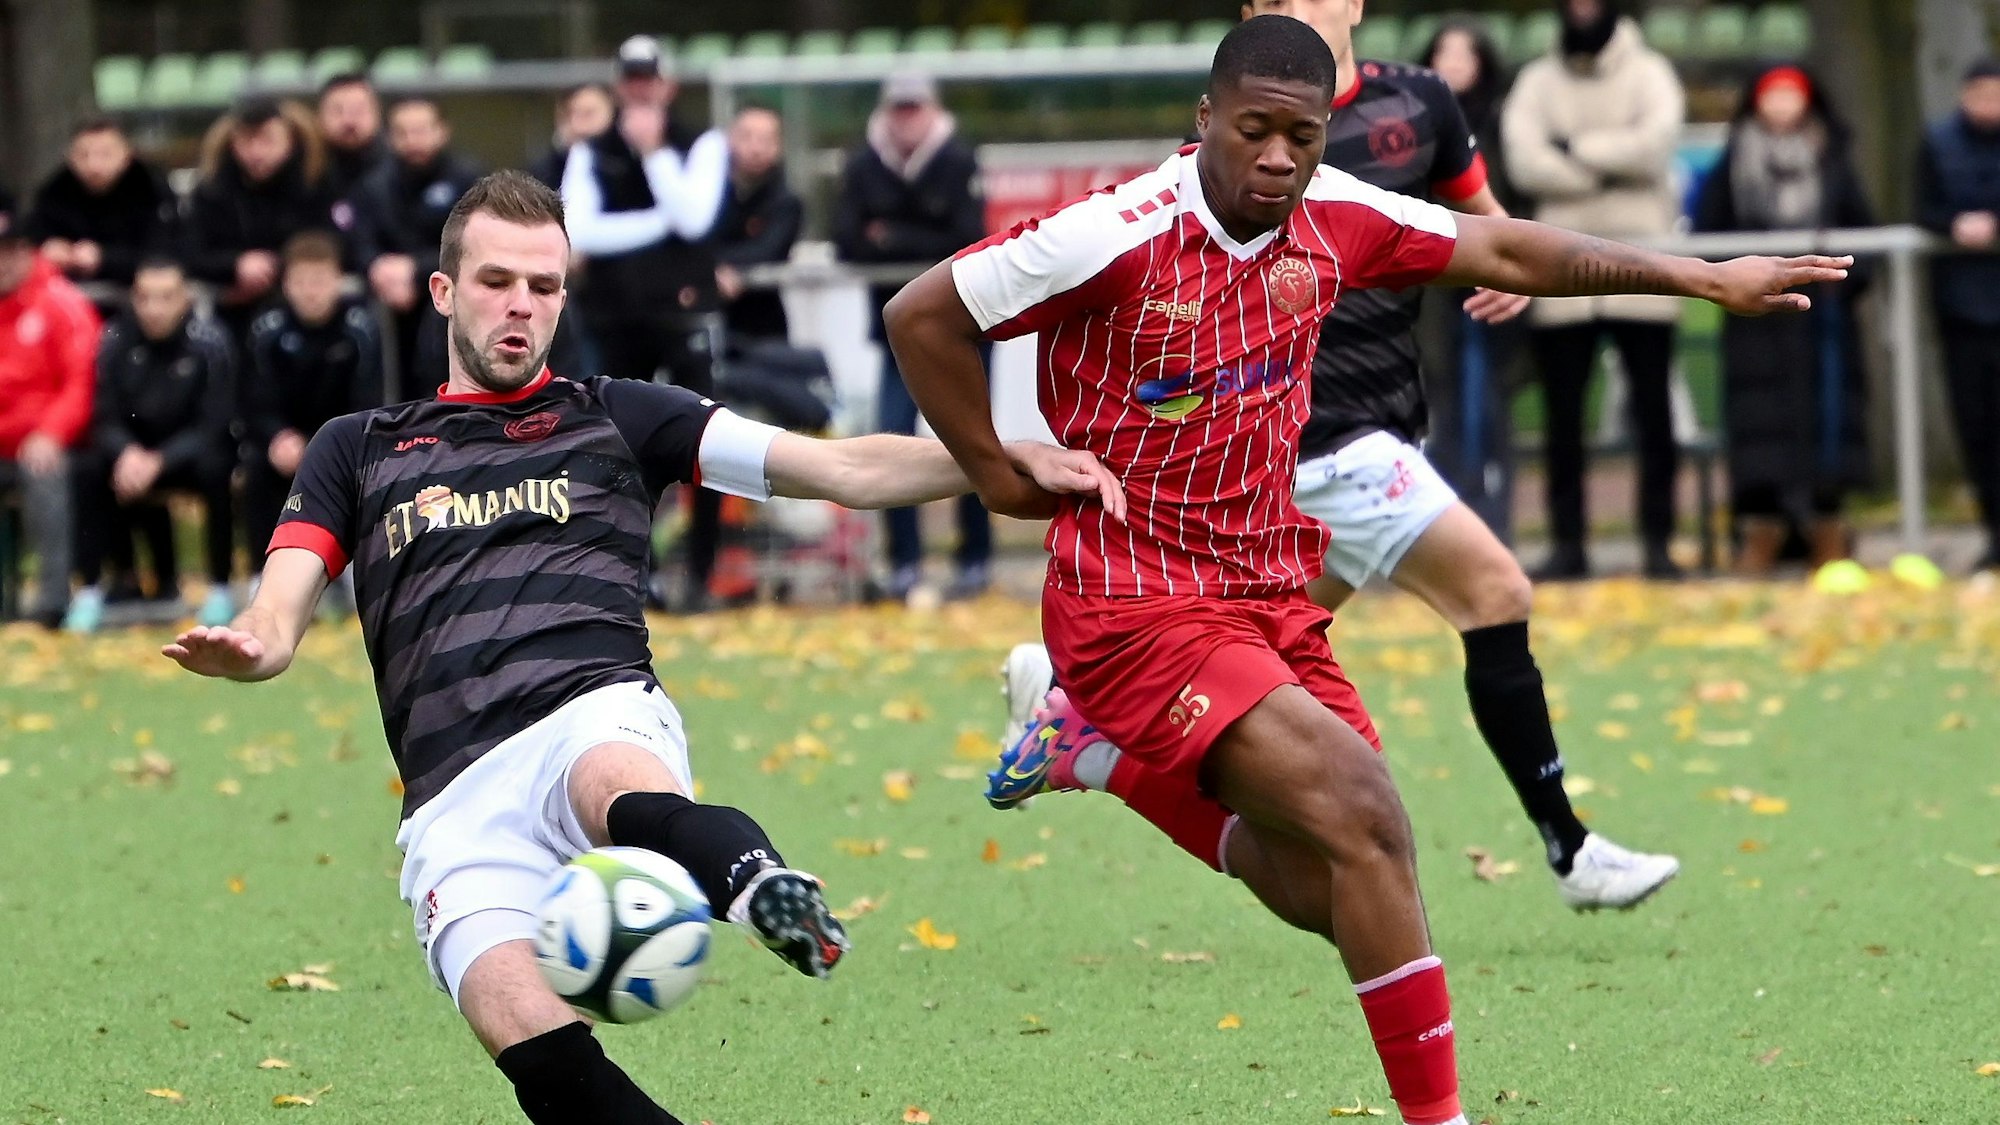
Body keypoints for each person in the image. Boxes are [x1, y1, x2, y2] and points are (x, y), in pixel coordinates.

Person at [886, 17, 1845, 1125]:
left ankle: (1100, 759)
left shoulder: (1338, 214)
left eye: (1300, 135)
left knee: (1339, 883)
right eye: (1252, 131)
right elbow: (921, 316)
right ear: (1204, 120)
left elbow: (1505, 251)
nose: (1278, 158)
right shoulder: (1109, 235)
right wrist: (997, 472)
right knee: (1367, 814)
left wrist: (1697, 276)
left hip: (1263, 594)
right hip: (1131, 597)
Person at [158, 170, 1118, 1125]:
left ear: (564, 295)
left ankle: (763, 889)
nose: (520, 306)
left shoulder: (620, 413)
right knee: (512, 1015)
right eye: (497, 282)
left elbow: (840, 465)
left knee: (605, 780)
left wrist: (999, 458)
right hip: (451, 796)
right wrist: (252, 646)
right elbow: (279, 611)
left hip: (589, 705)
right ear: (445, 292)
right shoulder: (358, 447)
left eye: (543, 286)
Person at [993, 0, 1677, 910]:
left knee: (1241, 659)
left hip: (1379, 425)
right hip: (1315, 438)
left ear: (1355, 3)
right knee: (1495, 591)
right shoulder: (1245, 119)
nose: (1278, 152)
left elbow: (1489, 225)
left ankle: (1085, 723)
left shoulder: (1420, 103)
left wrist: (1508, 274)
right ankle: (1570, 847)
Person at [1502, 0, 1687, 580]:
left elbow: (1656, 144)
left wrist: (1572, 151)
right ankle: (1568, 544)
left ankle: (1659, 541)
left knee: (1655, 412)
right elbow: (1523, 161)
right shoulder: (1535, 81)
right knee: (1562, 419)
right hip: (1562, 271)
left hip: (1642, 267)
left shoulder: (1651, 72)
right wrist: (1614, 161)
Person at [560, 34, 730, 611]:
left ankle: (702, 575)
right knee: (613, 448)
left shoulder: (700, 142)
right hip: (615, 318)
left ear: (668, 84)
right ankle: (628, 578)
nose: (640, 89)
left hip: (683, 314)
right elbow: (580, 231)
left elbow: (697, 217)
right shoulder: (590, 149)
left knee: (705, 441)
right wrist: (661, 219)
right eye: (631, 79)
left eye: (649, 78)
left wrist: (656, 156)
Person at [1695, 65, 1875, 574]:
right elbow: (1710, 233)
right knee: (1760, 428)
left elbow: (1863, 233)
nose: (1779, 106)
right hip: (1755, 319)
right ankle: (1762, 532)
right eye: (1770, 96)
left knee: (1828, 423)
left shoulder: (1834, 158)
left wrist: (1836, 280)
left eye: (1789, 96)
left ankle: (1827, 531)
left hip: (1823, 319)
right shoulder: (1732, 162)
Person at [834, 72, 991, 601]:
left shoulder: (956, 159)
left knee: (974, 441)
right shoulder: (864, 164)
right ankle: (903, 561)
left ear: (931, 109)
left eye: (915, 108)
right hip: (896, 337)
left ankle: (975, 557)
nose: (906, 119)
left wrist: (894, 237)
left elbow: (969, 235)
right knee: (893, 438)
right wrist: (922, 239)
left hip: (964, 328)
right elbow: (849, 241)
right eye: (898, 109)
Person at [67, 259, 237, 632]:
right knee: (89, 467)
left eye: (165, 298)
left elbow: (214, 422)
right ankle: (90, 589)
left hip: (186, 454)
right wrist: (128, 452)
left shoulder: (210, 342)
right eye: (145, 298)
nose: (154, 308)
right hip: (133, 453)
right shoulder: (113, 340)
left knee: (217, 466)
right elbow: (104, 415)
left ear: (184, 299)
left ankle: (220, 587)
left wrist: (160, 460)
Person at [1418, 19, 1524, 535]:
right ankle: (1444, 532)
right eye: (1444, 52)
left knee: (1488, 410)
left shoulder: (1505, 124)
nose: (1454, 63)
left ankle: (1491, 526)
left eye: (1465, 53)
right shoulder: (1410, 128)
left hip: (1491, 286)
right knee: (1440, 414)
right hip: (1432, 290)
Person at [241, 231, 385, 564]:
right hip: (283, 444)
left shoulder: (361, 329)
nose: (311, 292)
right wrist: (277, 437)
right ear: (286, 284)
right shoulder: (266, 330)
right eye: (301, 282)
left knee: (368, 468)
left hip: (342, 442)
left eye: (319, 281)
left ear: (338, 281)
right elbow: (255, 401)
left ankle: (355, 571)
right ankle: (260, 573)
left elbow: (368, 403)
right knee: (254, 468)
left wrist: (322, 446)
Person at [0, 189, 99, 628]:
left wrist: (51, 433)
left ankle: (51, 600)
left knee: (43, 470)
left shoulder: (62, 303)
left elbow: (82, 380)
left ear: (26, 252)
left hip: (46, 442)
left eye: (8, 252)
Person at [1917, 57, 2000, 572]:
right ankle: (1994, 532)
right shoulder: (1937, 143)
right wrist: (1953, 225)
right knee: (1979, 430)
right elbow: (1921, 208)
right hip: (1964, 311)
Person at [353, 97, 483, 397]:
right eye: (403, 132)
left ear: (442, 131)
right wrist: (379, 270)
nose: (413, 141)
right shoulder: (374, 186)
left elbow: (475, 245)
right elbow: (360, 244)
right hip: (390, 307)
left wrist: (414, 270)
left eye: (421, 130)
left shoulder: (468, 179)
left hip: (451, 304)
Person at [184, 97, 337, 344]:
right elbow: (191, 252)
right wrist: (235, 265)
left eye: (267, 140)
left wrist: (276, 268)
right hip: (233, 318)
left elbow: (332, 244)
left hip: (307, 317)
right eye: (247, 141)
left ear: (290, 140)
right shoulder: (213, 190)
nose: (256, 152)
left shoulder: (316, 183)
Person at [24, 118, 181, 317]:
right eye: (83, 155)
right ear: (70, 157)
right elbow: (29, 243)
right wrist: (47, 253)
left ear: (126, 154)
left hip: (141, 309)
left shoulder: (152, 191)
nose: (94, 165)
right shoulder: (53, 194)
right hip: (67, 310)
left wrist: (105, 258)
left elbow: (167, 252)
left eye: (105, 154)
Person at [715, 105, 803, 344]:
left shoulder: (787, 201)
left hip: (764, 325)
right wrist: (712, 268)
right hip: (709, 318)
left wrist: (728, 267)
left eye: (766, 139)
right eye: (747, 137)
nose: (756, 148)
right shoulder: (707, 195)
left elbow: (770, 248)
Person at [318, 73, 389, 245]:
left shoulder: (400, 173)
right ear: (319, 116)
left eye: (358, 111)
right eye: (337, 111)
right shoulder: (307, 174)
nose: (348, 121)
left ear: (377, 114)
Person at [529, 83, 616, 190]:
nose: (576, 125)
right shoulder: (544, 172)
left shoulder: (630, 169)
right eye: (569, 115)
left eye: (588, 114)